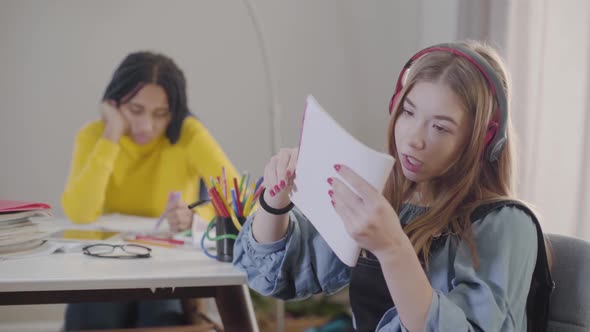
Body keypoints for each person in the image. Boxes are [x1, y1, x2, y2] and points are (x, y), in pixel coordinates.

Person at [233, 41, 553, 331]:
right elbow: (276, 273)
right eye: (408, 112)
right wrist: (275, 200)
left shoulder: (505, 226)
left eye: (441, 127)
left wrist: (391, 247)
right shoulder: (391, 200)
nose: (414, 139)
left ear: (482, 141)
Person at [61, 51, 239, 330]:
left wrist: (194, 217)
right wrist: (112, 136)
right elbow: (80, 213)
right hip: (103, 263)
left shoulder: (188, 134)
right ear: (114, 103)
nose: (147, 126)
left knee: (160, 314)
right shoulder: (94, 136)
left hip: (163, 266)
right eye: (135, 110)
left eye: (161, 114)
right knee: (100, 313)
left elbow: (239, 201)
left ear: (175, 112)